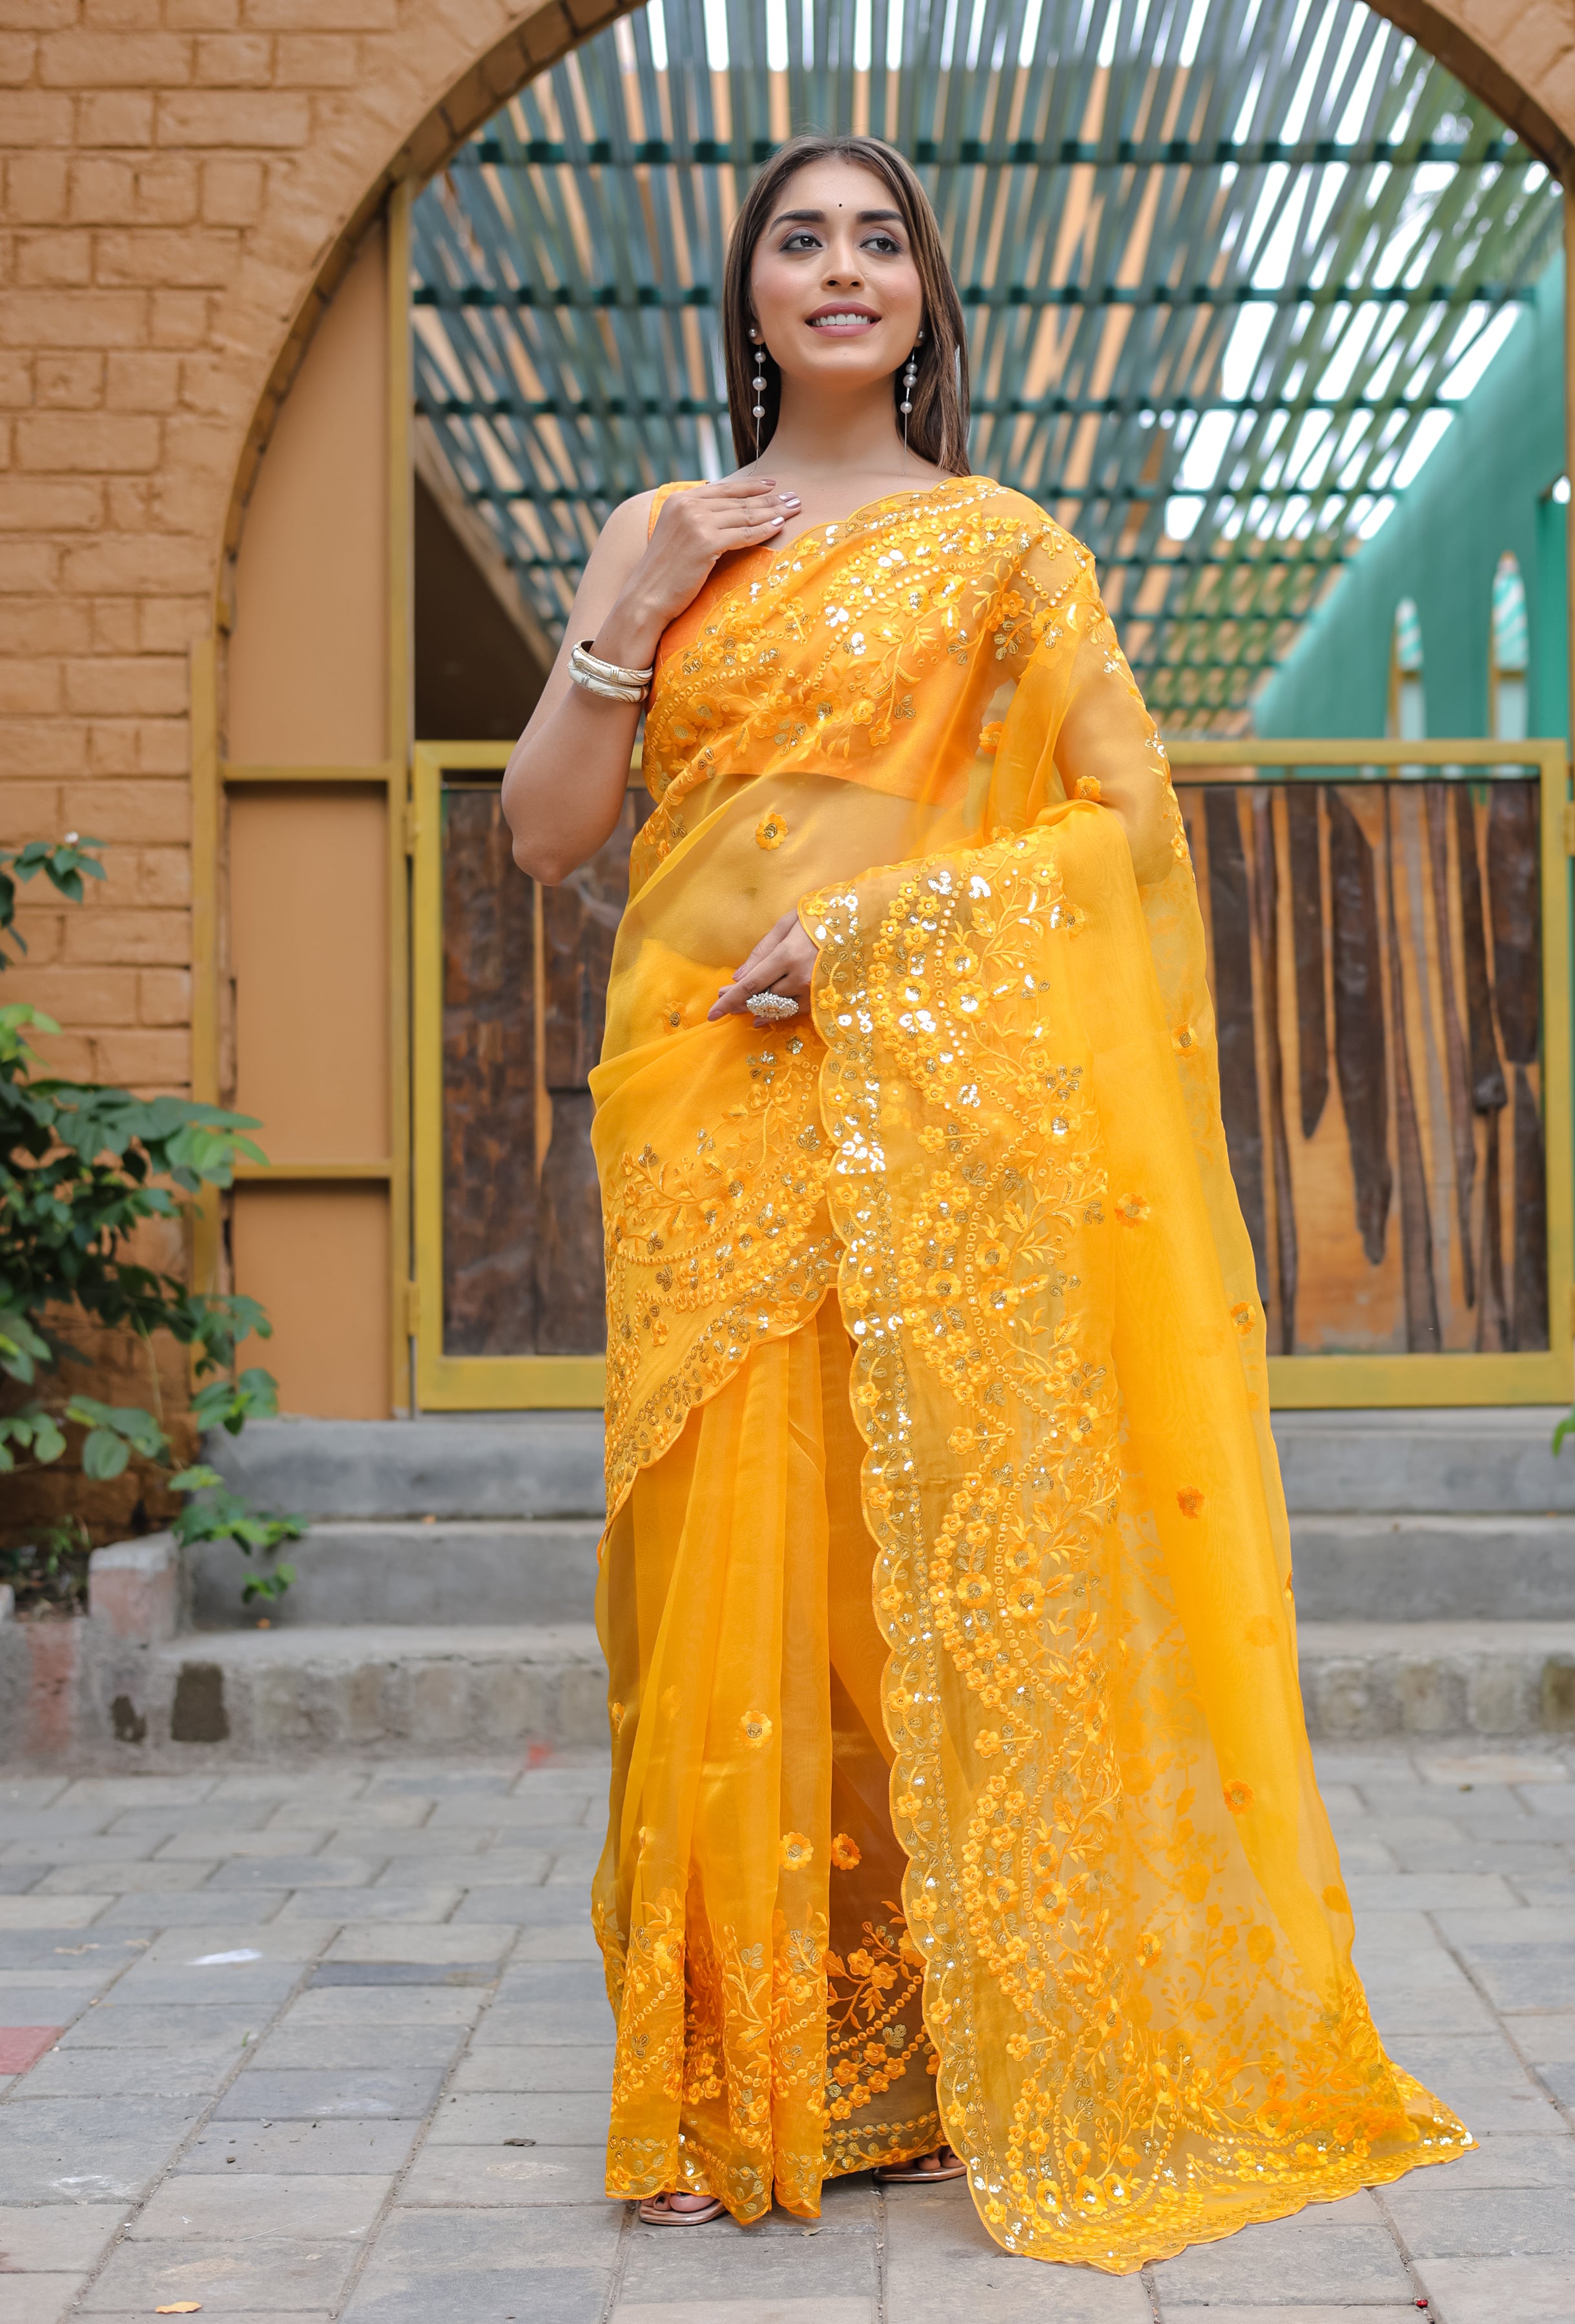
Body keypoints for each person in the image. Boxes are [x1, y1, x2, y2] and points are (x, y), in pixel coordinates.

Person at [502, 129, 1468, 2275]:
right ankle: (723, 2064)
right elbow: (546, 838)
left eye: (879, 241)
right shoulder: (667, 534)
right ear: (744, 294)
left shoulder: (1005, 552)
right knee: (707, 1567)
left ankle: (921, 2057)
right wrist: (618, 613)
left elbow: (1123, 850)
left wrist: (876, 944)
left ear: (929, 298)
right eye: (797, 239)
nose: (840, 269)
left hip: (916, 1098)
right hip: (693, 1103)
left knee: (897, 1559)